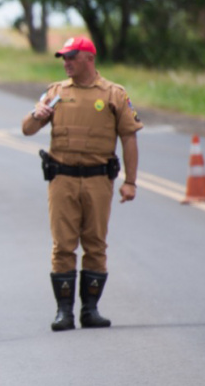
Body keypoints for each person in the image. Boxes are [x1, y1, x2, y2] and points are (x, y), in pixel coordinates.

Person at [21, 36, 142, 331]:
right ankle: (64, 312)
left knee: (95, 244)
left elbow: (129, 136)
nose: (66, 63)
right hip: (62, 179)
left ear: (89, 58)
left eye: (71, 57)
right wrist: (37, 115)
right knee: (63, 245)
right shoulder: (56, 92)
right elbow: (27, 129)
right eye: (63, 58)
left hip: (98, 180)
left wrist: (131, 181)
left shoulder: (114, 94)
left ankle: (90, 310)